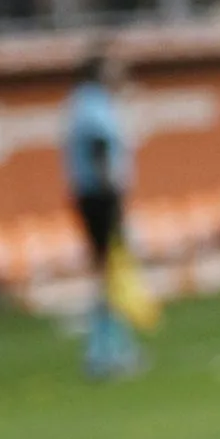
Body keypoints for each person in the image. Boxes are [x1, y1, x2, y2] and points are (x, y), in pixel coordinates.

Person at [64, 50, 145, 380]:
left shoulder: (87, 102)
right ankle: (105, 352)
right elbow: (99, 151)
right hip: (100, 198)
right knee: (109, 272)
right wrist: (113, 202)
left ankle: (111, 347)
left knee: (109, 273)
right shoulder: (91, 104)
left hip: (96, 196)